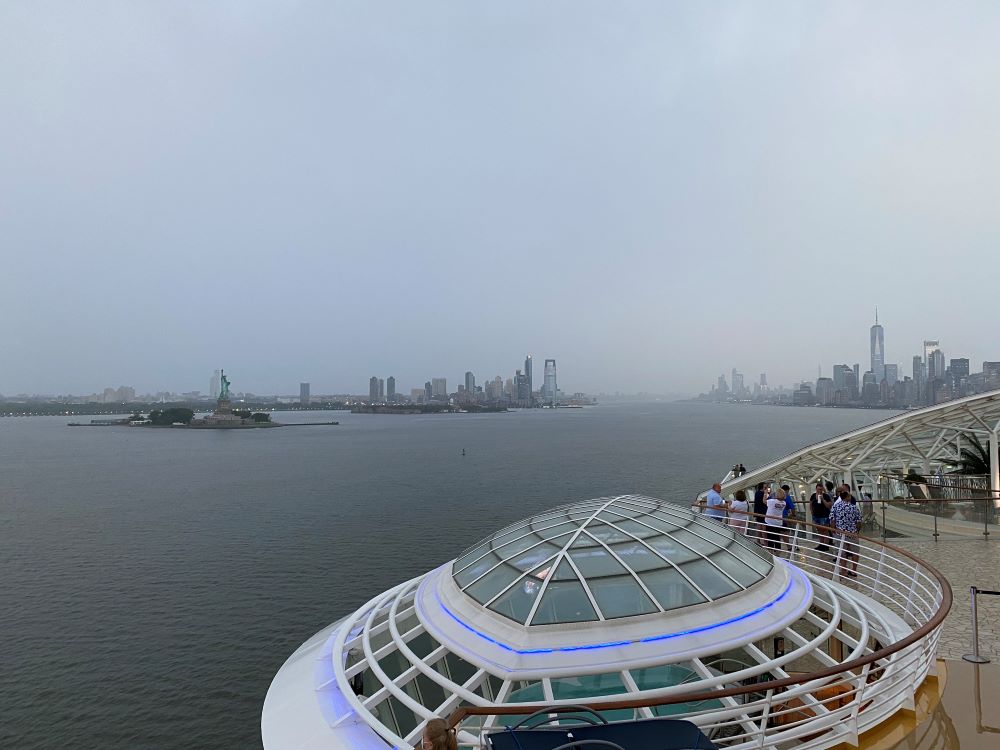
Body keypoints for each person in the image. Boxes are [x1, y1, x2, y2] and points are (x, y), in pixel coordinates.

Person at [830, 490, 862, 579]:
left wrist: (834, 530)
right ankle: (854, 570)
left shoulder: (835, 507)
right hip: (852, 533)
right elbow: (859, 521)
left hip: (840, 533)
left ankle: (843, 571)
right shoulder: (854, 507)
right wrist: (857, 531)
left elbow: (832, 520)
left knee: (842, 552)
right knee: (855, 552)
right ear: (847, 497)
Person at [809, 482, 833, 551]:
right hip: (816, 516)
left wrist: (823, 500)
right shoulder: (813, 495)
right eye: (818, 489)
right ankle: (821, 544)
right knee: (819, 530)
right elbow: (811, 504)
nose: (819, 491)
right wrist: (812, 512)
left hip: (824, 516)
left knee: (825, 531)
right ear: (816, 489)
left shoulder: (826, 496)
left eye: (821, 489)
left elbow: (829, 505)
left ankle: (826, 546)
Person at [764, 488, 786, 552]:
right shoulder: (784, 503)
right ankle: (777, 552)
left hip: (770, 522)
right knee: (777, 537)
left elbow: (764, 501)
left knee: (770, 537)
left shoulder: (772, 501)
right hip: (778, 522)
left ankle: (771, 551)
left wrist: (765, 493)